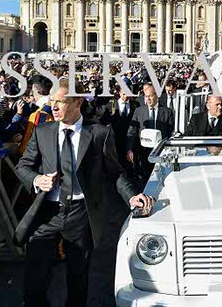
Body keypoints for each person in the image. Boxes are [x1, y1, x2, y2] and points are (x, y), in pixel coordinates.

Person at [15, 79, 152, 307]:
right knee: (34, 279)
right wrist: (37, 179)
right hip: (47, 212)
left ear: (77, 102)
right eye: (52, 101)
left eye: (60, 102)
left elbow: (115, 173)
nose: (53, 107)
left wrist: (132, 195)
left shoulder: (99, 133)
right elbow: (23, 166)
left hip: (80, 214)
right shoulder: (42, 131)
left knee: (77, 279)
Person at [126, 84, 173, 184]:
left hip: (160, 151)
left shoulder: (167, 112)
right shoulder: (139, 111)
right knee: (145, 178)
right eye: (146, 96)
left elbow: (170, 132)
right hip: (143, 152)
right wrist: (129, 149)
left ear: (157, 96)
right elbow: (132, 131)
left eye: (150, 96)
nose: (148, 99)